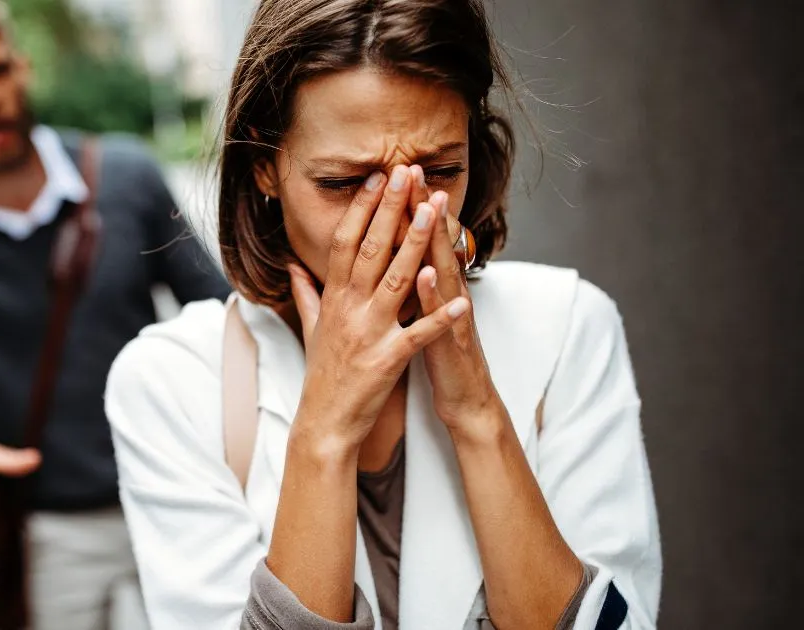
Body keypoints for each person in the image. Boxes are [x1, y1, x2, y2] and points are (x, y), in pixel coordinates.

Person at [104, 1, 662, 629]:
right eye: (344, 183)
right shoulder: (171, 382)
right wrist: (327, 430)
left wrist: (476, 412)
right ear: (264, 165)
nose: (397, 221)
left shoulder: (567, 327)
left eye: (440, 171)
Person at [0, 1, 229, 628]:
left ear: (22, 68)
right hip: (49, 526)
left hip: (181, 490)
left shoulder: (127, 178)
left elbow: (221, 310)